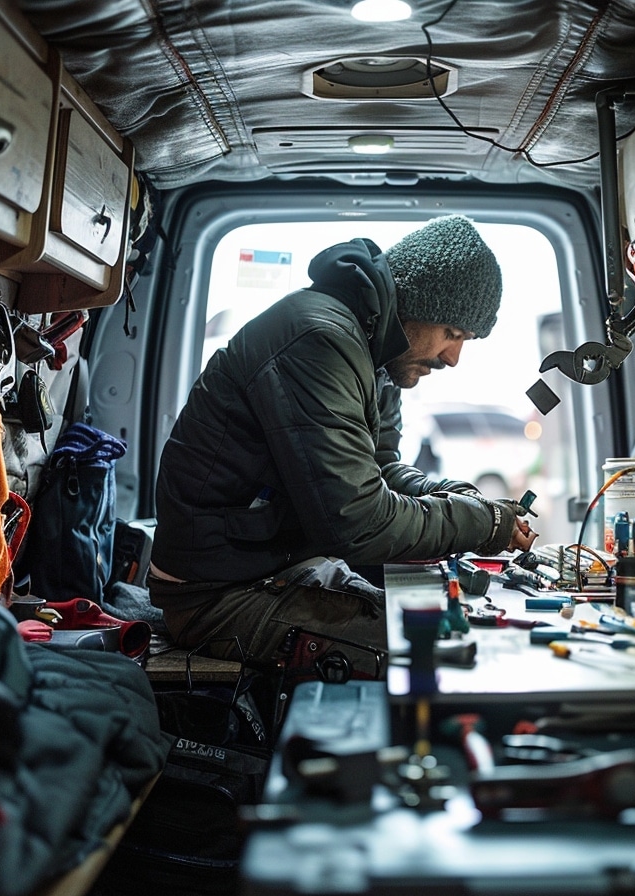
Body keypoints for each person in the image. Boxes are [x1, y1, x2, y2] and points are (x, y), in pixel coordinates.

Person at [148, 215, 536, 682]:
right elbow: (358, 521)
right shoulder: (320, 339)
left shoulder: (379, 354)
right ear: (417, 303)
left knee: (456, 623)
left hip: (281, 570)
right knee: (451, 655)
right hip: (217, 596)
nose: (453, 358)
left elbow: (379, 471)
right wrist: (483, 523)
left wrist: (457, 496)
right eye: (453, 333)